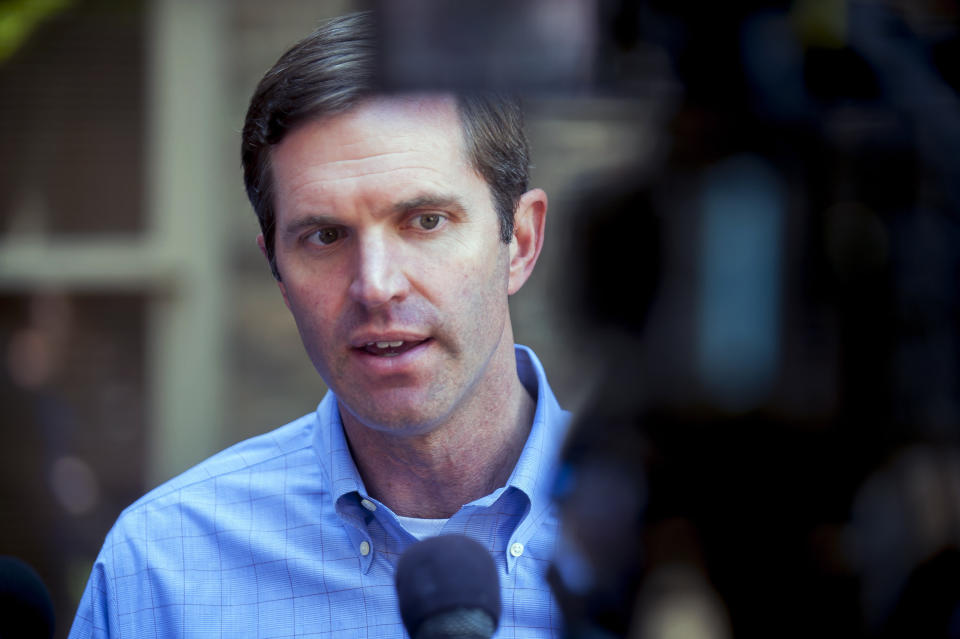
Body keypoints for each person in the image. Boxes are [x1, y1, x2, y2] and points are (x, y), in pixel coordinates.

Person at [69, 11, 569, 638]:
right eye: (325, 236)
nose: (376, 284)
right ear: (276, 269)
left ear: (519, 242)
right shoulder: (162, 566)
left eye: (426, 221)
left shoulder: (667, 539)